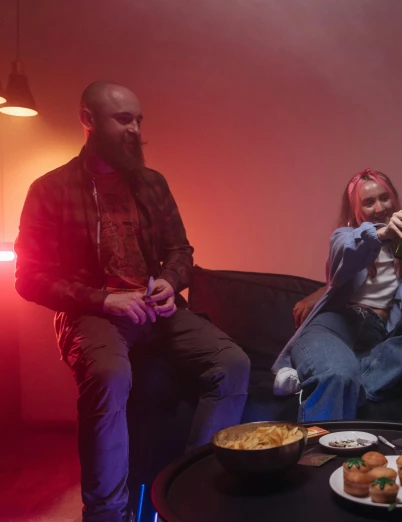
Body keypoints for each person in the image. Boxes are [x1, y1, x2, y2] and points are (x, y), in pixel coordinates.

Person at [14, 81, 250, 522]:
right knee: (109, 373)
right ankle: (107, 514)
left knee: (233, 363)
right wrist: (104, 299)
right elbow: (29, 279)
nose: (135, 129)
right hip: (92, 314)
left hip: (156, 309)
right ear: (88, 119)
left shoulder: (152, 184)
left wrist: (167, 280)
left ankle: (189, 495)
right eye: (124, 119)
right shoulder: (49, 189)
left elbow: (181, 251)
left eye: (139, 120)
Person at [272, 168, 402, 421]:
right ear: (355, 210)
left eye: (384, 198)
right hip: (335, 325)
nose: (379, 207)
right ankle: (320, 451)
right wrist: (380, 233)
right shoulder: (346, 237)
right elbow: (345, 252)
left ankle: (326, 377)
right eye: (368, 202)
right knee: (338, 375)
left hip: (376, 338)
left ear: (394, 199)